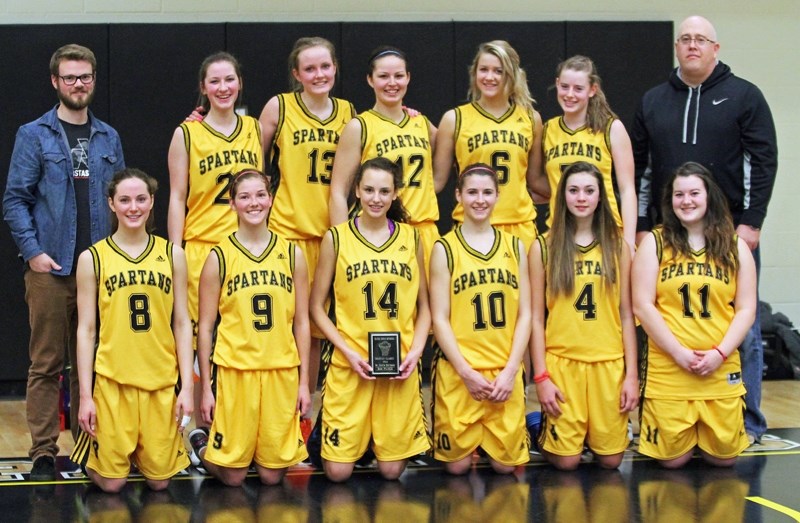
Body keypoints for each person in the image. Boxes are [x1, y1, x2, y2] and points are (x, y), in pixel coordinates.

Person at [631, 15, 778, 444]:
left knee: (741, 328)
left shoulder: (744, 96)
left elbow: (763, 161)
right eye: (685, 39)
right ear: (676, 48)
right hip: (666, 234)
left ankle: (746, 421)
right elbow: (641, 170)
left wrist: (752, 222)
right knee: (660, 324)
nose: (692, 46)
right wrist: (642, 225)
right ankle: (657, 417)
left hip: (728, 233)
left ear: (717, 48)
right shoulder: (654, 100)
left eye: (701, 40)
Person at [3, 44, 125, 481]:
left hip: (99, 274)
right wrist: (34, 252)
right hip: (51, 273)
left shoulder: (108, 137)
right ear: (56, 82)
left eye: (86, 76)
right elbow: (15, 200)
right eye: (70, 77)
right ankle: (41, 451)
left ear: (94, 79)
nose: (79, 84)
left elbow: (122, 201)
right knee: (47, 364)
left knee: (92, 363)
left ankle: (88, 446)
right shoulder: (34, 134)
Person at [70, 168, 193, 492]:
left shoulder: (172, 254)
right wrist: (86, 396)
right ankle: (102, 456)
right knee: (112, 484)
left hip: (160, 382)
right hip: (113, 383)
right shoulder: (92, 258)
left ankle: (141, 451)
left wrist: (187, 388)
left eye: (141, 199)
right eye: (124, 200)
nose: (133, 207)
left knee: (159, 483)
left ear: (152, 202)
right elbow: (86, 330)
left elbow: (182, 323)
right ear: (111, 204)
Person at [311, 157, 431, 482]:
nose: (376, 198)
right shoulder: (336, 238)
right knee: (336, 473)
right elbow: (316, 308)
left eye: (384, 191)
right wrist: (346, 351)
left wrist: (416, 352)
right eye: (369, 190)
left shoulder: (412, 238)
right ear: (357, 192)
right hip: (352, 362)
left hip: (399, 366)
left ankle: (366, 438)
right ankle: (347, 435)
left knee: (392, 472)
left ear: (394, 195)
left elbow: (426, 308)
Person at [189, 169, 311, 486]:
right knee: (233, 476)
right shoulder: (219, 257)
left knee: (272, 476)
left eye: (259, 195)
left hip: (280, 369)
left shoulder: (292, 254)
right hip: (235, 370)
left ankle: (256, 448)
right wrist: (206, 388)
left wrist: (304, 383)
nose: (253, 203)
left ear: (270, 200)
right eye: (244, 196)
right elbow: (205, 328)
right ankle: (201, 447)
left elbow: (302, 322)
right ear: (232, 204)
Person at [632, 161, 756, 468]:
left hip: (719, 365)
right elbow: (642, 305)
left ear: (709, 196)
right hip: (670, 368)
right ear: (670, 200)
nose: (686, 201)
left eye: (694, 193)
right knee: (673, 461)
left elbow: (746, 308)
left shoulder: (734, 246)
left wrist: (719, 353)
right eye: (678, 194)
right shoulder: (655, 243)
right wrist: (678, 353)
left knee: (723, 459)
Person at [259, 37, 356, 406]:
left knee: (315, 334)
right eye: (310, 68)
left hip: (330, 237)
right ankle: (272, 408)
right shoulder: (279, 107)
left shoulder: (350, 113)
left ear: (335, 69)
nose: (319, 74)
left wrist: (410, 115)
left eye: (325, 66)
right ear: (297, 74)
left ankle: (304, 414)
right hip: (286, 233)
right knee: (281, 328)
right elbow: (254, 167)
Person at [529, 161, 638, 471]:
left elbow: (627, 315)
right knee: (566, 462)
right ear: (562, 196)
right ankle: (538, 425)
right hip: (563, 364)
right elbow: (536, 319)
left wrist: (631, 376)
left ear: (601, 197)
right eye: (573, 190)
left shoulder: (619, 248)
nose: (581, 197)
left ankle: (591, 432)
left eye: (589, 191)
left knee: (611, 461)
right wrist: (541, 378)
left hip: (609, 363)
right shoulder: (544, 247)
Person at [429, 163, 531, 475]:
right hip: (461, 374)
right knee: (456, 468)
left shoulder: (515, 247)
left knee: (505, 467)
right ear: (458, 195)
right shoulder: (444, 248)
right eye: (472, 192)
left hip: (503, 372)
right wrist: (465, 371)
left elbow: (526, 313)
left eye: (487, 192)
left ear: (498, 196)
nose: (480, 199)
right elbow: (439, 318)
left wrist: (512, 370)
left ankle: (494, 441)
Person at [167, 51, 263, 347]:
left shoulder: (255, 128)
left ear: (240, 83)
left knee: (245, 340)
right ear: (203, 87)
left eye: (229, 80)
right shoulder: (186, 133)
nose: (223, 88)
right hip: (202, 247)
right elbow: (176, 197)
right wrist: (174, 252)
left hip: (247, 249)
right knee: (199, 344)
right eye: (215, 81)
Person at [328, 46, 440, 272]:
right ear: (370, 80)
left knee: (430, 307)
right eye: (383, 76)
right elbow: (338, 192)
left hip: (424, 231)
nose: (392, 83)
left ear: (408, 78)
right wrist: (345, 242)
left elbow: (449, 151)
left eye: (399, 76)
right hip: (381, 233)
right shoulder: (359, 126)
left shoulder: (421, 123)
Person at [433, 40, 547, 251]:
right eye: (483, 69)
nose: (489, 77)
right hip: (471, 226)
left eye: (498, 71)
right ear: (474, 74)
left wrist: (577, 193)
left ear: (511, 75)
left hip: (520, 226)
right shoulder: (454, 119)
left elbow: (535, 180)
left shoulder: (532, 119)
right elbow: (437, 181)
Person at [542, 55, 637, 250]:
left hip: (605, 233)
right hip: (560, 234)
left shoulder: (611, 128)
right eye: (565, 86)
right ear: (557, 84)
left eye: (578, 89)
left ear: (592, 90)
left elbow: (627, 189)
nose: (570, 94)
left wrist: (628, 241)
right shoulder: (547, 130)